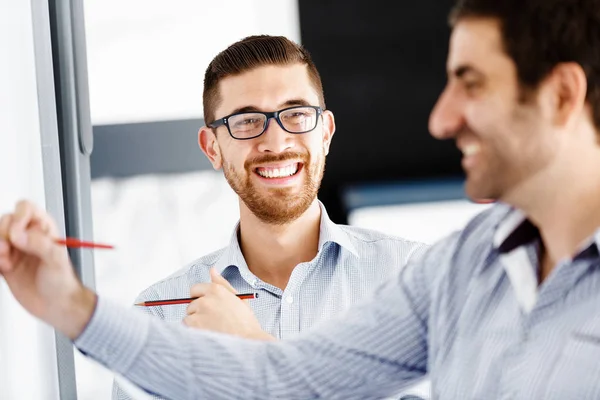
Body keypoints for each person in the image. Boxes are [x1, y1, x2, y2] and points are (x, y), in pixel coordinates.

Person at [2, 0, 600, 398]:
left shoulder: (412, 269)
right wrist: (70, 304)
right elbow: (292, 380)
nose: (441, 118)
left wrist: (250, 344)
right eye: (247, 122)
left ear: (562, 96)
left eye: (470, 83)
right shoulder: (463, 268)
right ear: (212, 146)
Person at [108, 35, 428, 399]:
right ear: (212, 147)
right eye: (246, 121)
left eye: (296, 115)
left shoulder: (414, 279)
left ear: (325, 133)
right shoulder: (159, 319)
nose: (276, 144)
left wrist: (255, 351)